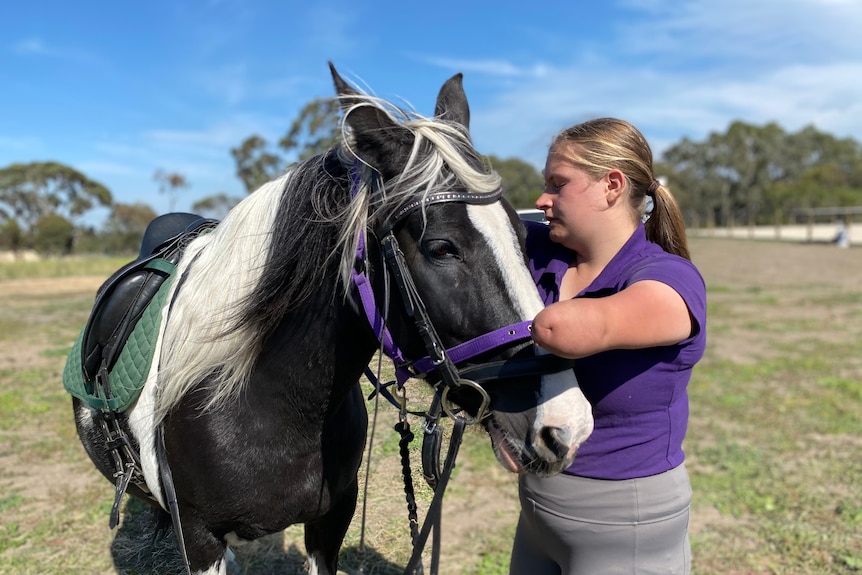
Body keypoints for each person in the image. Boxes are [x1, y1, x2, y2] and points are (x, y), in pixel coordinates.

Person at [510, 118, 707, 575]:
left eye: (558, 185)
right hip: (539, 511)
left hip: (626, 521)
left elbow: (565, 331)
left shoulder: (670, 279)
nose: (542, 200)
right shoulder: (547, 252)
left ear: (611, 185)